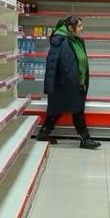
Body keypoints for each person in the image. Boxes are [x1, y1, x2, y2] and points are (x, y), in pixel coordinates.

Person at [36, 15, 101, 150]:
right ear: (71, 28)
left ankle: (43, 133)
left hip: (74, 82)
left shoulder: (76, 41)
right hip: (65, 84)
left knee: (57, 110)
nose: (82, 28)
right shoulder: (60, 41)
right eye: (79, 26)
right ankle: (85, 139)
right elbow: (53, 64)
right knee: (77, 111)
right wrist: (51, 85)